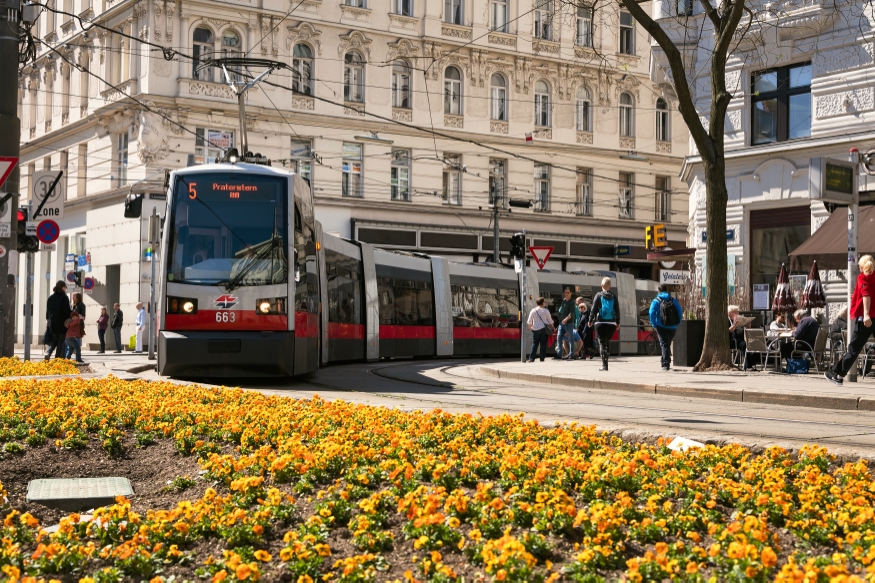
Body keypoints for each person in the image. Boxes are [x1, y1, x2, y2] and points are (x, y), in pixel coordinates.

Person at [826, 255, 875, 385]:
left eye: (859, 265)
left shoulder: (863, 277)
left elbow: (866, 295)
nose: (858, 267)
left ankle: (838, 375)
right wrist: (856, 297)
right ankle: (838, 374)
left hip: (867, 320)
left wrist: (866, 314)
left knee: (854, 348)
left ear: (862, 265)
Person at [648, 284, 683, 371]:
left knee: (664, 344)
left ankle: (665, 364)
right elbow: (680, 311)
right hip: (672, 327)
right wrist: (678, 322)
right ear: (666, 290)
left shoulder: (656, 301)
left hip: (661, 326)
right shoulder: (673, 300)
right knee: (667, 344)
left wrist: (654, 324)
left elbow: (651, 313)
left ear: (658, 291)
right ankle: (664, 360)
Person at [589, 277, 620, 371]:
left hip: (600, 323)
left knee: (601, 343)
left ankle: (604, 365)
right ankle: (607, 354)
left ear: (601, 285)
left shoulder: (598, 295)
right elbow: (617, 311)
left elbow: (593, 309)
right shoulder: (614, 296)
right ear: (610, 286)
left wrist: (590, 320)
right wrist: (618, 322)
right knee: (606, 341)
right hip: (611, 324)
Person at [44, 281, 71, 360]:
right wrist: (72, 314)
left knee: (54, 340)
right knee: (61, 341)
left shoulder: (51, 298)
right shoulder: (64, 297)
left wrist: (48, 321)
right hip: (62, 323)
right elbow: (67, 310)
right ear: (62, 287)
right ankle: (58, 358)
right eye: (65, 287)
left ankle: (48, 352)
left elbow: (48, 311)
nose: (65, 289)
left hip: (53, 323)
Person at [526, 297, 552, 362]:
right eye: (544, 302)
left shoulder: (533, 310)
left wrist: (530, 328)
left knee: (534, 344)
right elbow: (550, 321)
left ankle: (531, 359)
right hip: (544, 329)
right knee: (543, 344)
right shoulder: (546, 311)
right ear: (542, 302)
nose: (545, 303)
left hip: (535, 329)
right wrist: (553, 327)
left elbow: (529, 321)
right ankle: (542, 359)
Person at [555, 288, 577, 360]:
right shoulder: (564, 301)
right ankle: (559, 354)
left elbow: (572, 313)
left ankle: (571, 354)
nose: (566, 294)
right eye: (565, 293)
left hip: (569, 323)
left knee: (570, 339)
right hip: (562, 323)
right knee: (559, 338)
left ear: (571, 293)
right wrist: (560, 319)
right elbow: (561, 311)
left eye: (568, 292)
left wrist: (566, 319)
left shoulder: (572, 302)